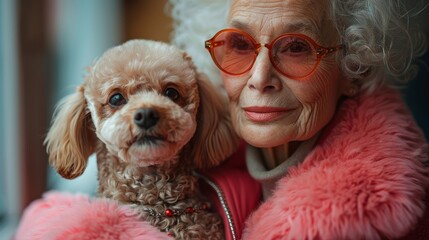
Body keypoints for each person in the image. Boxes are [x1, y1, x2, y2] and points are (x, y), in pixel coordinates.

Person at [169, 0, 429, 239]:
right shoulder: (183, 180)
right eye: (241, 44)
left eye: (296, 48)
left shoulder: (395, 220)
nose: (259, 78)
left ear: (355, 69)